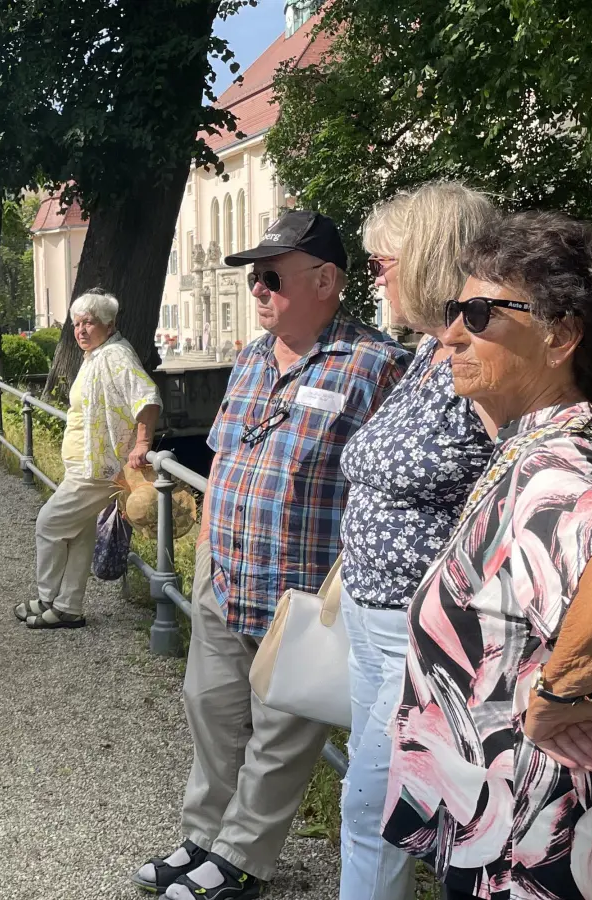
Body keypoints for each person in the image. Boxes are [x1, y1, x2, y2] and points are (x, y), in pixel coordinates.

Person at [384, 212, 592, 900]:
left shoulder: (552, 469)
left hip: (538, 841)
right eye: (455, 309)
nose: (451, 332)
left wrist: (551, 698)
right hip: (540, 824)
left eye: (478, 313)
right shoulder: (555, 442)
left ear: (561, 336)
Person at [136, 211, 409, 900]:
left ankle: (243, 857)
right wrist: (202, 545)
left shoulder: (376, 365)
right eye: (253, 277)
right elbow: (229, 457)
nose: (256, 288)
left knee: (283, 732)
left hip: (304, 584)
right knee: (212, 708)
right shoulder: (255, 356)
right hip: (224, 567)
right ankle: (205, 835)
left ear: (326, 280)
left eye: (270, 277)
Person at [333, 182, 499, 900]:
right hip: (370, 623)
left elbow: (510, 487)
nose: (375, 275)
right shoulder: (432, 355)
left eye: (381, 261)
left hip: (419, 632)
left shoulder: (482, 361)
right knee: (382, 806)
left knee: (370, 804)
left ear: (427, 258)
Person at [13, 291, 159, 629]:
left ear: (109, 324)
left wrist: (143, 443)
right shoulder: (96, 354)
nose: (81, 330)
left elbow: (148, 396)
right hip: (86, 464)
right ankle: (68, 607)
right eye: (77, 323)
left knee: (49, 524)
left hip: (99, 466)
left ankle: (48, 598)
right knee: (79, 534)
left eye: (88, 322)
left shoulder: (115, 356)